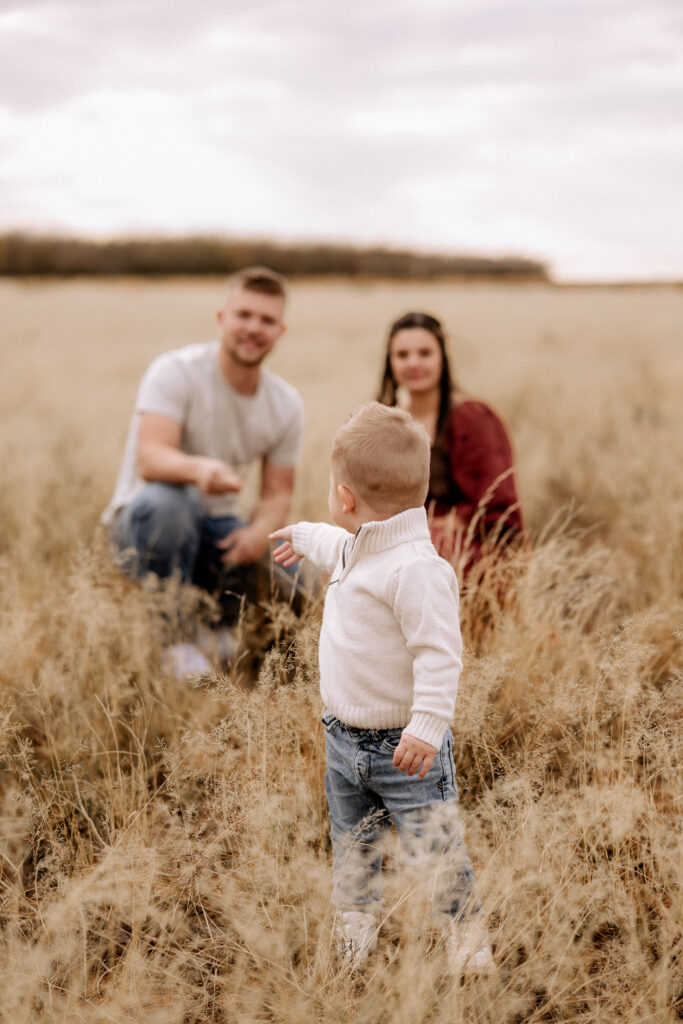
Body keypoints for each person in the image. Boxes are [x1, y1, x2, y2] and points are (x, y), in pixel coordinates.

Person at [270, 403, 493, 973]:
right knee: (352, 846)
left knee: (437, 849)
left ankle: (467, 945)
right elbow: (333, 545)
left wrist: (426, 727)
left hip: (405, 750)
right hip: (343, 742)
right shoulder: (360, 546)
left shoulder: (415, 569)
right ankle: (355, 930)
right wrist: (301, 533)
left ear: (344, 496)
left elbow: (441, 655)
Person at [102, 266, 305, 676]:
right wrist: (200, 470)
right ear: (221, 318)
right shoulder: (175, 371)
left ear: (280, 331)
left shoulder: (285, 403)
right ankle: (175, 640)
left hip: (217, 532)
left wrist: (255, 533)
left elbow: (277, 494)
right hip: (143, 526)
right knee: (170, 501)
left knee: (294, 567)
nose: (253, 328)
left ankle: (222, 626)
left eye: (266, 320)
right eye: (243, 315)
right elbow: (151, 458)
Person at [377, 311, 524, 573]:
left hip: (467, 551)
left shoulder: (473, 418)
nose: (413, 363)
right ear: (390, 362)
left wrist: (441, 526)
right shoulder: (384, 422)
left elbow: (499, 510)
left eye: (424, 353)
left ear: (442, 357)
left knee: (434, 549)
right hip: (398, 546)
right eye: (402, 355)